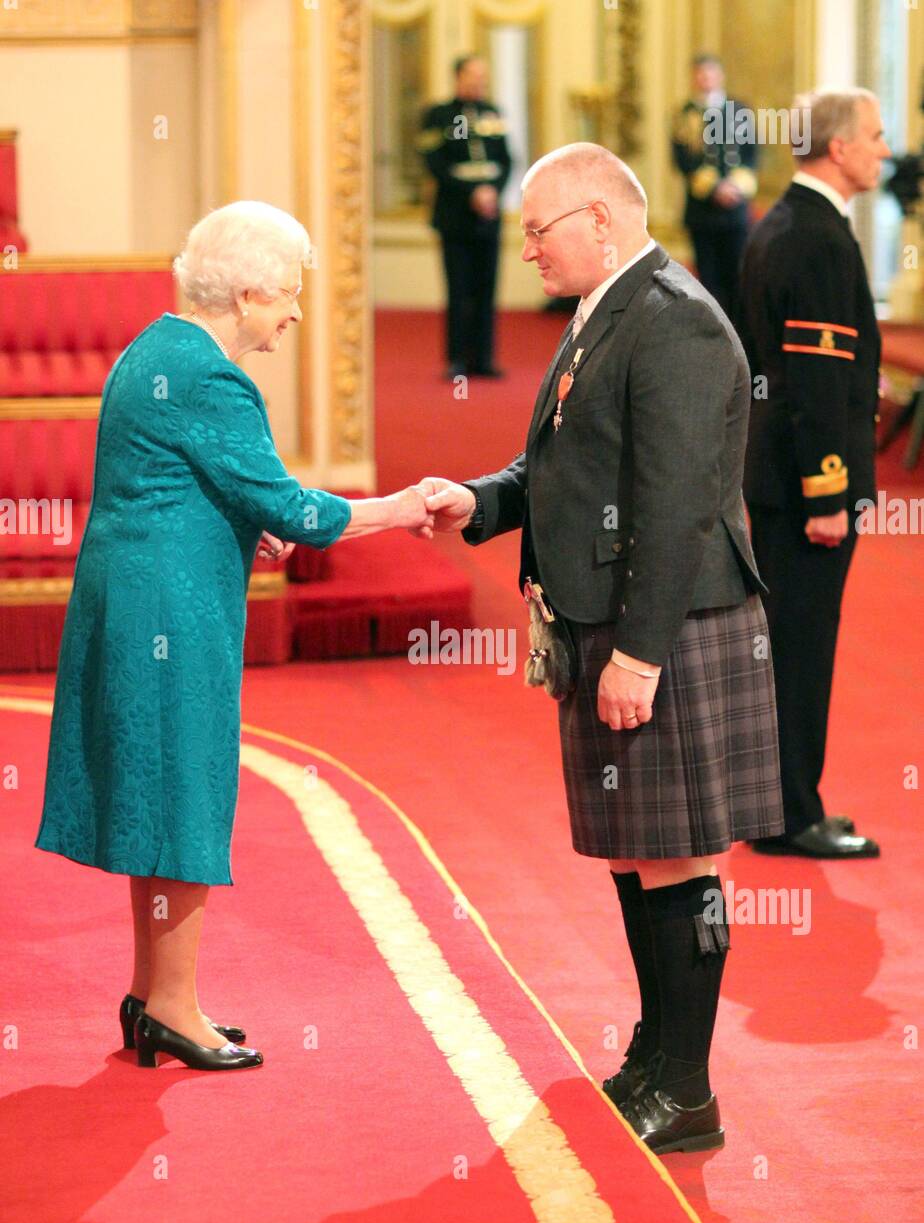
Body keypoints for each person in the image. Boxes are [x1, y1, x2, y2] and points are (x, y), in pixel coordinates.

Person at [418, 143, 785, 1154]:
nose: (526, 247)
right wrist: (484, 499)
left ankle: (690, 1085)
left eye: (539, 229)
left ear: (603, 222)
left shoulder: (672, 321)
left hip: (664, 626)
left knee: (680, 857)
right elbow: (566, 458)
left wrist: (640, 655)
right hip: (611, 620)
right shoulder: (605, 308)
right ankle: (656, 1053)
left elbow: (674, 512)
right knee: (636, 853)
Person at [34, 201, 433, 1072]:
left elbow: (166, 484)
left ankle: (152, 1000)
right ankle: (173, 1007)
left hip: (133, 597)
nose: (293, 313)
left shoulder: (154, 350)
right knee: (183, 792)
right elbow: (297, 509)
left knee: (157, 793)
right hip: (170, 612)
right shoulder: (214, 379)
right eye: (288, 295)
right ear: (248, 294)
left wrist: (238, 525)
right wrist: (404, 508)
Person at [737, 89, 889, 858]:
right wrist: (829, 491)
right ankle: (790, 816)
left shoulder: (784, 224)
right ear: (836, 147)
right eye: (874, 135)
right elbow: (814, 383)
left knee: (785, 645)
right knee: (799, 648)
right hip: (806, 487)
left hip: (774, 473)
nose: (884, 150)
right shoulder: (819, 238)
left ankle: (778, 805)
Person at [418, 54, 513, 379]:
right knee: (458, 289)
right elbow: (434, 163)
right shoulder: (438, 115)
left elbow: (506, 159)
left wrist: (492, 191)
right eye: (473, 75)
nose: (479, 82)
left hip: (488, 216)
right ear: (458, 77)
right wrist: (471, 192)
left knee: (486, 288)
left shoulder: (493, 113)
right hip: (455, 215)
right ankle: (457, 359)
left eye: (483, 76)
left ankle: (483, 359)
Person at [671, 53, 758, 315]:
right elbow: (681, 158)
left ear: (720, 75)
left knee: (738, 279)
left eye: (710, 73)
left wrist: (734, 188)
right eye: (700, 73)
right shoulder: (684, 114)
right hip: (702, 212)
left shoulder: (739, 110)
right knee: (709, 281)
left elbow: (751, 154)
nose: (705, 78)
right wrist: (714, 189)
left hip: (735, 211)